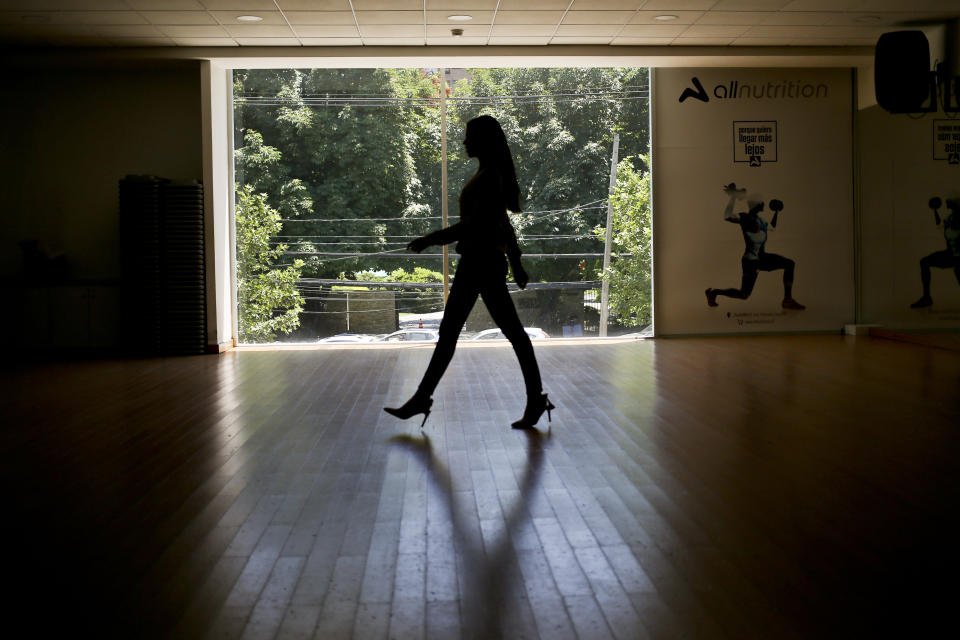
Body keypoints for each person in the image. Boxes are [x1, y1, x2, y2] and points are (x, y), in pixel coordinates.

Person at [384, 115, 554, 430]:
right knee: (495, 334)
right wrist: (516, 263)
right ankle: (534, 399)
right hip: (481, 263)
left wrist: (431, 239)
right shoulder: (489, 175)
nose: (464, 142)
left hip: (480, 263)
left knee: (473, 335)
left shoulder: (490, 178)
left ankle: (424, 398)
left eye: (468, 137)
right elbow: (503, 223)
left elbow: (475, 226)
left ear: (483, 141)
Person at [705, 183, 805, 310]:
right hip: (751, 262)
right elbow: (727, 216)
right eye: (762, 202)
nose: (764, 204)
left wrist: (776, 212)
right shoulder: (745, 218)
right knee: (744, 295)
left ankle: (787, 300)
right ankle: (713, 292)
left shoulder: (762, 221)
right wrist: (733, 197)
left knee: (789, 264)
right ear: (757, 204)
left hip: (762, 258)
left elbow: (772, 227)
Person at [910, 195, 960, 308]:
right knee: (924, 262)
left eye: (950, 202)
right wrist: (935, 211)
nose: (946, 202)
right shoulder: (951, 218)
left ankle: (927, 298)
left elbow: (951, 233)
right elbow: (940, 225)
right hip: (951, 255)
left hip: (957, 257)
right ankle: (927, 298)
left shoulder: (956, 220)